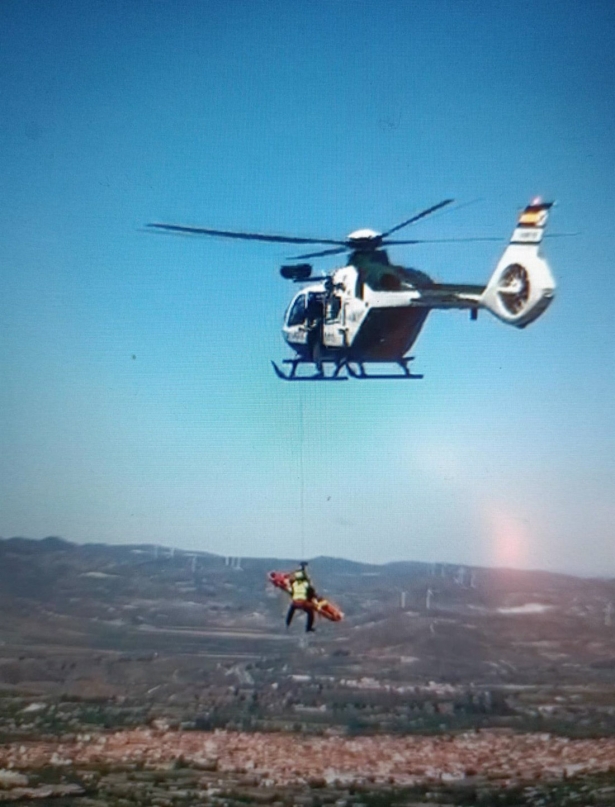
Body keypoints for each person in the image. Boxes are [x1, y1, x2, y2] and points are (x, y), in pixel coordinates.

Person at [285, 562, 316, 632]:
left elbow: (291, 591)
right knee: (310, 613)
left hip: (295, 603)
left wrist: (302, 568)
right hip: (303, 603)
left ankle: (287, 623)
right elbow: (311, 591)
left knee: (291, 611)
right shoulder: (305, 584)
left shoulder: (294, 584)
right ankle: (308, 628)